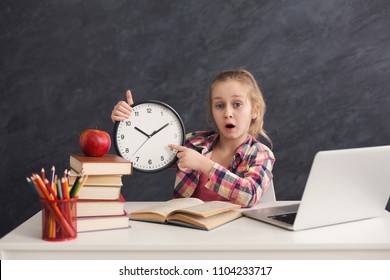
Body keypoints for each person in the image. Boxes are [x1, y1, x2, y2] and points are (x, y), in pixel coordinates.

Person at [111, 68, 275, 208]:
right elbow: (148, 156)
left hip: (235, 237)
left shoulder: (260, 154)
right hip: (188, 234)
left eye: (237, 104)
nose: (227, 113)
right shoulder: (194, 143)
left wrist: (205, 165)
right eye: (219, 105)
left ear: (255, 110)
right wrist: (129, 122)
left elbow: (250, 195)